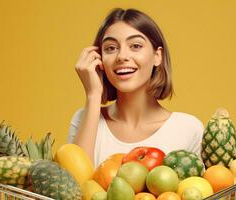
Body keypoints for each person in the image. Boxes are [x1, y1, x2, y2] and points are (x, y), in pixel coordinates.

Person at [68, 8, 204, 168]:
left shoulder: (187, 129)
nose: (121, 56)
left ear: (157, 56)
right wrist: (93, 95)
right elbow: (72, 189)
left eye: (135, 46)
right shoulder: (85, 119)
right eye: (111, 48)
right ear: (100, 59)